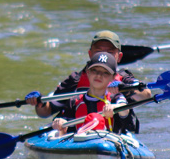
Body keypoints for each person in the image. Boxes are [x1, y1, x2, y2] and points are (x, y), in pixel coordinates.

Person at [25, 30, 153, 132]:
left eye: (109, 52)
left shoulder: (124, 78)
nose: (104, 56)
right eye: (99, 51)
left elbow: (146, 95)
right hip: (79, 134)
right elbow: (45, 111)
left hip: (114, 134)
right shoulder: (75, 80)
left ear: (119, 57)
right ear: (90, 53)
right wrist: (39, 102)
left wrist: (124, 88)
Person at [51, 51, 133, 135]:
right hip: (81, 143)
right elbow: (64, 132)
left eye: (105, 73)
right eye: (94, 70)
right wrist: (60, 125)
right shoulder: (74, 101)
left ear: (113, 77)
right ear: (88, 72)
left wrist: (115, 107)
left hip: (109, 143)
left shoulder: (115, 98)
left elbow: (125, 109)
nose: (99, 75)